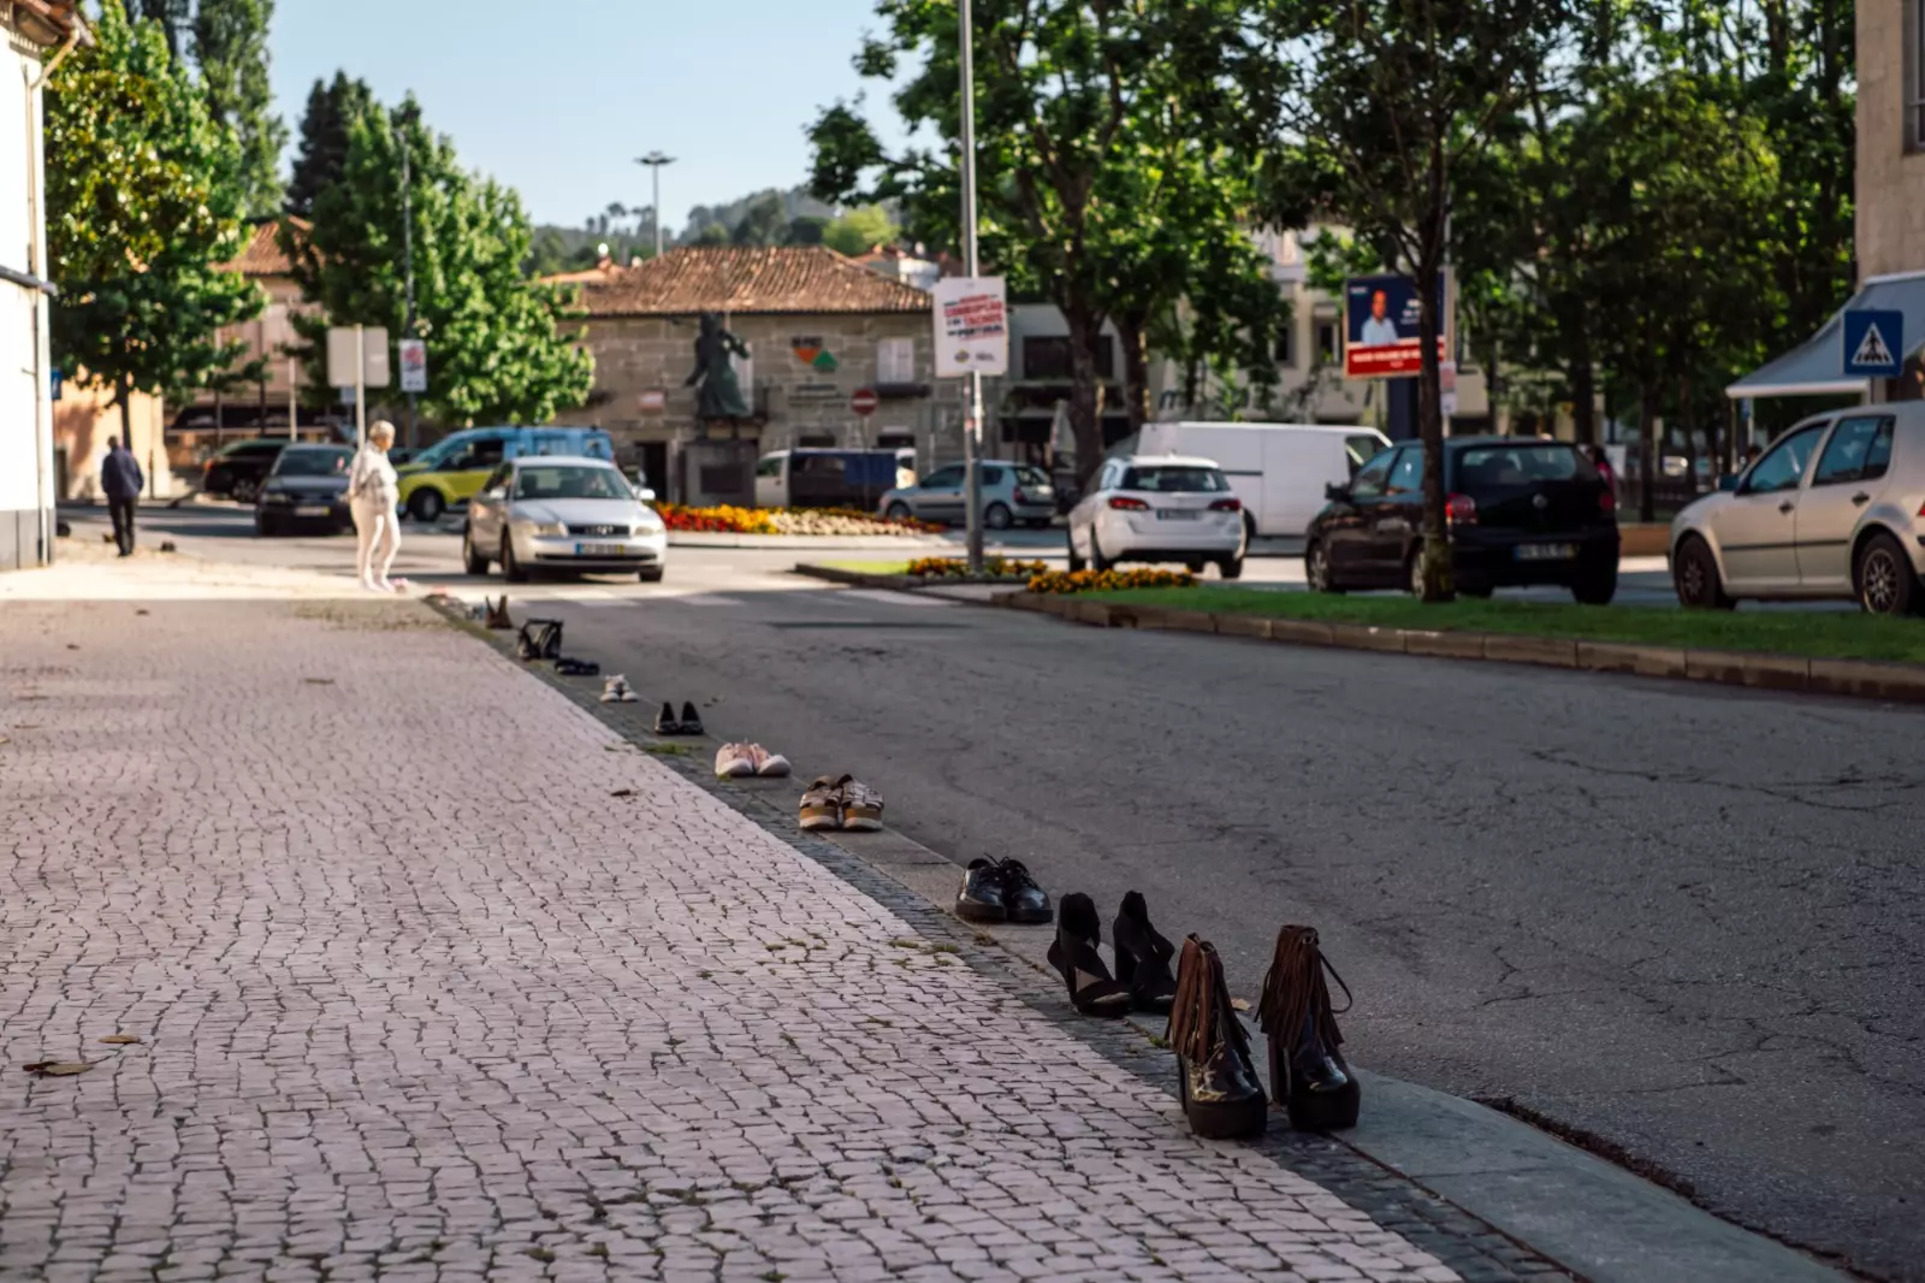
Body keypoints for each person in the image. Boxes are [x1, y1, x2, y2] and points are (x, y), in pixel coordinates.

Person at [347, 421, 404, 593]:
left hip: (386, 507)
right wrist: (353, 495)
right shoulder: (366, 455)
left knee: (393, 541)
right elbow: (357, 481)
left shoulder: (381, 455)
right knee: (368, 543)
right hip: (367, 505)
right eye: (389, 438)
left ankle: (380, 575)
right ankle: (365, 579)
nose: (391, 442)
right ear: (380, 438)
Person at [99, 436, 144, 557]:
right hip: (132, 493)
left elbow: (105, 478)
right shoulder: (130, 456)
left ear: (110, 445)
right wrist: (137, 489)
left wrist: (107, 490)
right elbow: (139, 475)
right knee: (130, 521)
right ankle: (131, 546)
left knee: (119, 522)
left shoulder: (109, 459)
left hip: (116, 495)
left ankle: (124, 548)